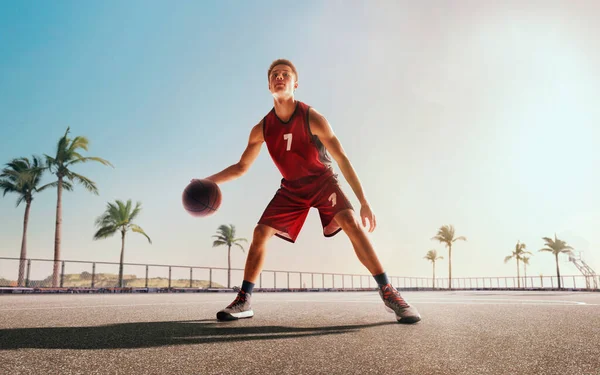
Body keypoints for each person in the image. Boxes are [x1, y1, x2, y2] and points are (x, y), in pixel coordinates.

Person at [200, 59, 421, 324]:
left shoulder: (312, 117)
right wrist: (207, 181)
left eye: (285, 74)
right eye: (275, 75)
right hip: (292, 188)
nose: (280, 77)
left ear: (296, 84)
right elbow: (241, 167)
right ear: (269, 84)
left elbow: (342, 158)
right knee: (260, 232)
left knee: (350, 222)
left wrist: (363, 201)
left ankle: (388, 291)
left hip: (323, 180)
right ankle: (244, 299)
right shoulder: (262, 128)